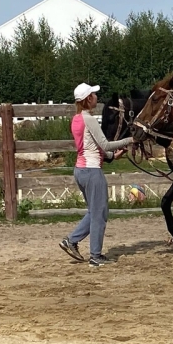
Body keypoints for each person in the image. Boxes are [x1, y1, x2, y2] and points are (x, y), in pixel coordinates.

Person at [60, 83, 132, 266]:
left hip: (81, 170)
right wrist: (133, 138)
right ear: (88, 99)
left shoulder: (76, 119)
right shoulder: (89, 119)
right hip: (92, 171)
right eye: (94, 94)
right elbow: (105, 144)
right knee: (99, 213)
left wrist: (112, 156)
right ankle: (95, 256)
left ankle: (72, 241)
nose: (96, 97)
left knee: (95, 211)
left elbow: (90, 146)